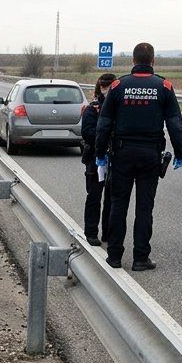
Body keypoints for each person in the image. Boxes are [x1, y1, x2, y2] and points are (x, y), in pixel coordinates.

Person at [94, 42, 182, 271]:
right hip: (150, 154)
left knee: (118, 205)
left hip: (122, 153)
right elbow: (174, 122)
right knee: (145, 208)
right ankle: (140, 258)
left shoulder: (118, 86)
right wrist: (180, 152)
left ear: (133, 61)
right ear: (153, 61)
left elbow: (104, 123)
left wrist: (99, 154)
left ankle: (114, 256)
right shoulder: (163, 86)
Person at [80, 72, 116, 246]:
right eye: (104, 86)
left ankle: (108, 232)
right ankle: (91, 232)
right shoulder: (93, 108)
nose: (107, 90)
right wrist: (103, 139)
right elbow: (87, 132)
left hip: (115, 158)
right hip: (95, 158)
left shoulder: (120, 107)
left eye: (110, 86)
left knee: (112, 198)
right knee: (94, 195)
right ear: (100, 88)